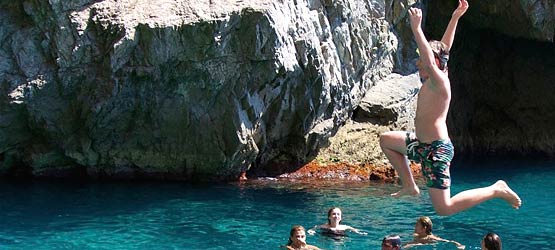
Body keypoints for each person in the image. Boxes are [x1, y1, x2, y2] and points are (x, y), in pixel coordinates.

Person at [379, 0, 522, 216]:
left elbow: (431, 60)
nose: (418, 63)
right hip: (421, 144)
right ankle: (409, 186)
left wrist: (416, 28)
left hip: (436, 149)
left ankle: (495, 189)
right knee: (386, 140)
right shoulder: (434, 77)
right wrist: (455, 17)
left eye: (422, 59)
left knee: (444, 208)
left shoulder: (440, 81)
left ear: (434, 63)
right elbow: (444, 50)